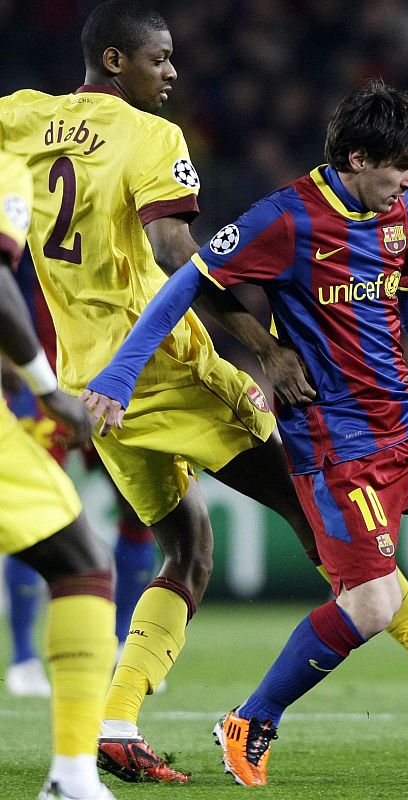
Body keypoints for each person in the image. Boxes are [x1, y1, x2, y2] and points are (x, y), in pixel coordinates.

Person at [0, 0, 408, 783]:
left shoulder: (21, 116)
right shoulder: (153, 138)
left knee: (186, 550)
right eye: (159, 59)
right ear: (116, 62)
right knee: (321, 521)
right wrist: (259, 347)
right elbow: (175, 252)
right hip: (165, 371)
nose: (172, 72)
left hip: (90, 383)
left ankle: (115, 722)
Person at [0, 148, 117, 800]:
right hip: (48, 384)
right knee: (77, 563)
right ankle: (72, 774)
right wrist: (47, 389)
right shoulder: (6, 164)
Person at [3, 256, 157, 699]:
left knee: (138, 505)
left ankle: (122, 639)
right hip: (44, 384)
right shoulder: (25, 213)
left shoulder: (108, 210)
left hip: (110, 380)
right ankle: (23, 657)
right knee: (36, 510)